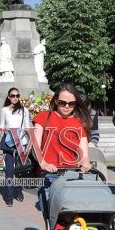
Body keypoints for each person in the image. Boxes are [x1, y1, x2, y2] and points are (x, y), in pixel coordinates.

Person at [34, 84, 92, 215]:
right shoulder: (43, 117)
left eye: (71, 104)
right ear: (56, 101)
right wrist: (43, 163)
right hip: (48, 175)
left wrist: (85, 162)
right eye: (62, 103)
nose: (67, 106)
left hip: (71, 176)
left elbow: (84, 153)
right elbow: (35, 145)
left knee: (70, 218)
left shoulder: (79, 123)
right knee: (52, 218)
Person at [0, 88, 30, 206]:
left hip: (21, 142)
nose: (15, 98)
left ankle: (18, 190)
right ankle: (9, 195)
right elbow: (1, 126)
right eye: (13, 95)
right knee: (9, 171)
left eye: (17, 95)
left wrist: (19, 137)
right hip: (8, 143)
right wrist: (6, 131)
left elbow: (27, 127)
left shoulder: (24, 110)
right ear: (8, 96)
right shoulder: (4, 110)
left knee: (19, 169)